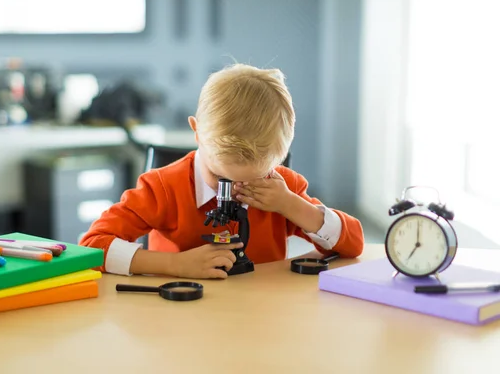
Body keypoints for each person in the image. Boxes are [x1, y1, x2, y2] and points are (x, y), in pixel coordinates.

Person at [79, 63, 364, 278]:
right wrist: (175, 265)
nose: (236, 192)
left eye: (253, 180)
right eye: (221, 178)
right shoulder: (164, 188)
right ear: (196, 133)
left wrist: (292, 205)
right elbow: (92, 248)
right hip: (177, 322)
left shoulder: (283, 188)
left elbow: (354, 243)